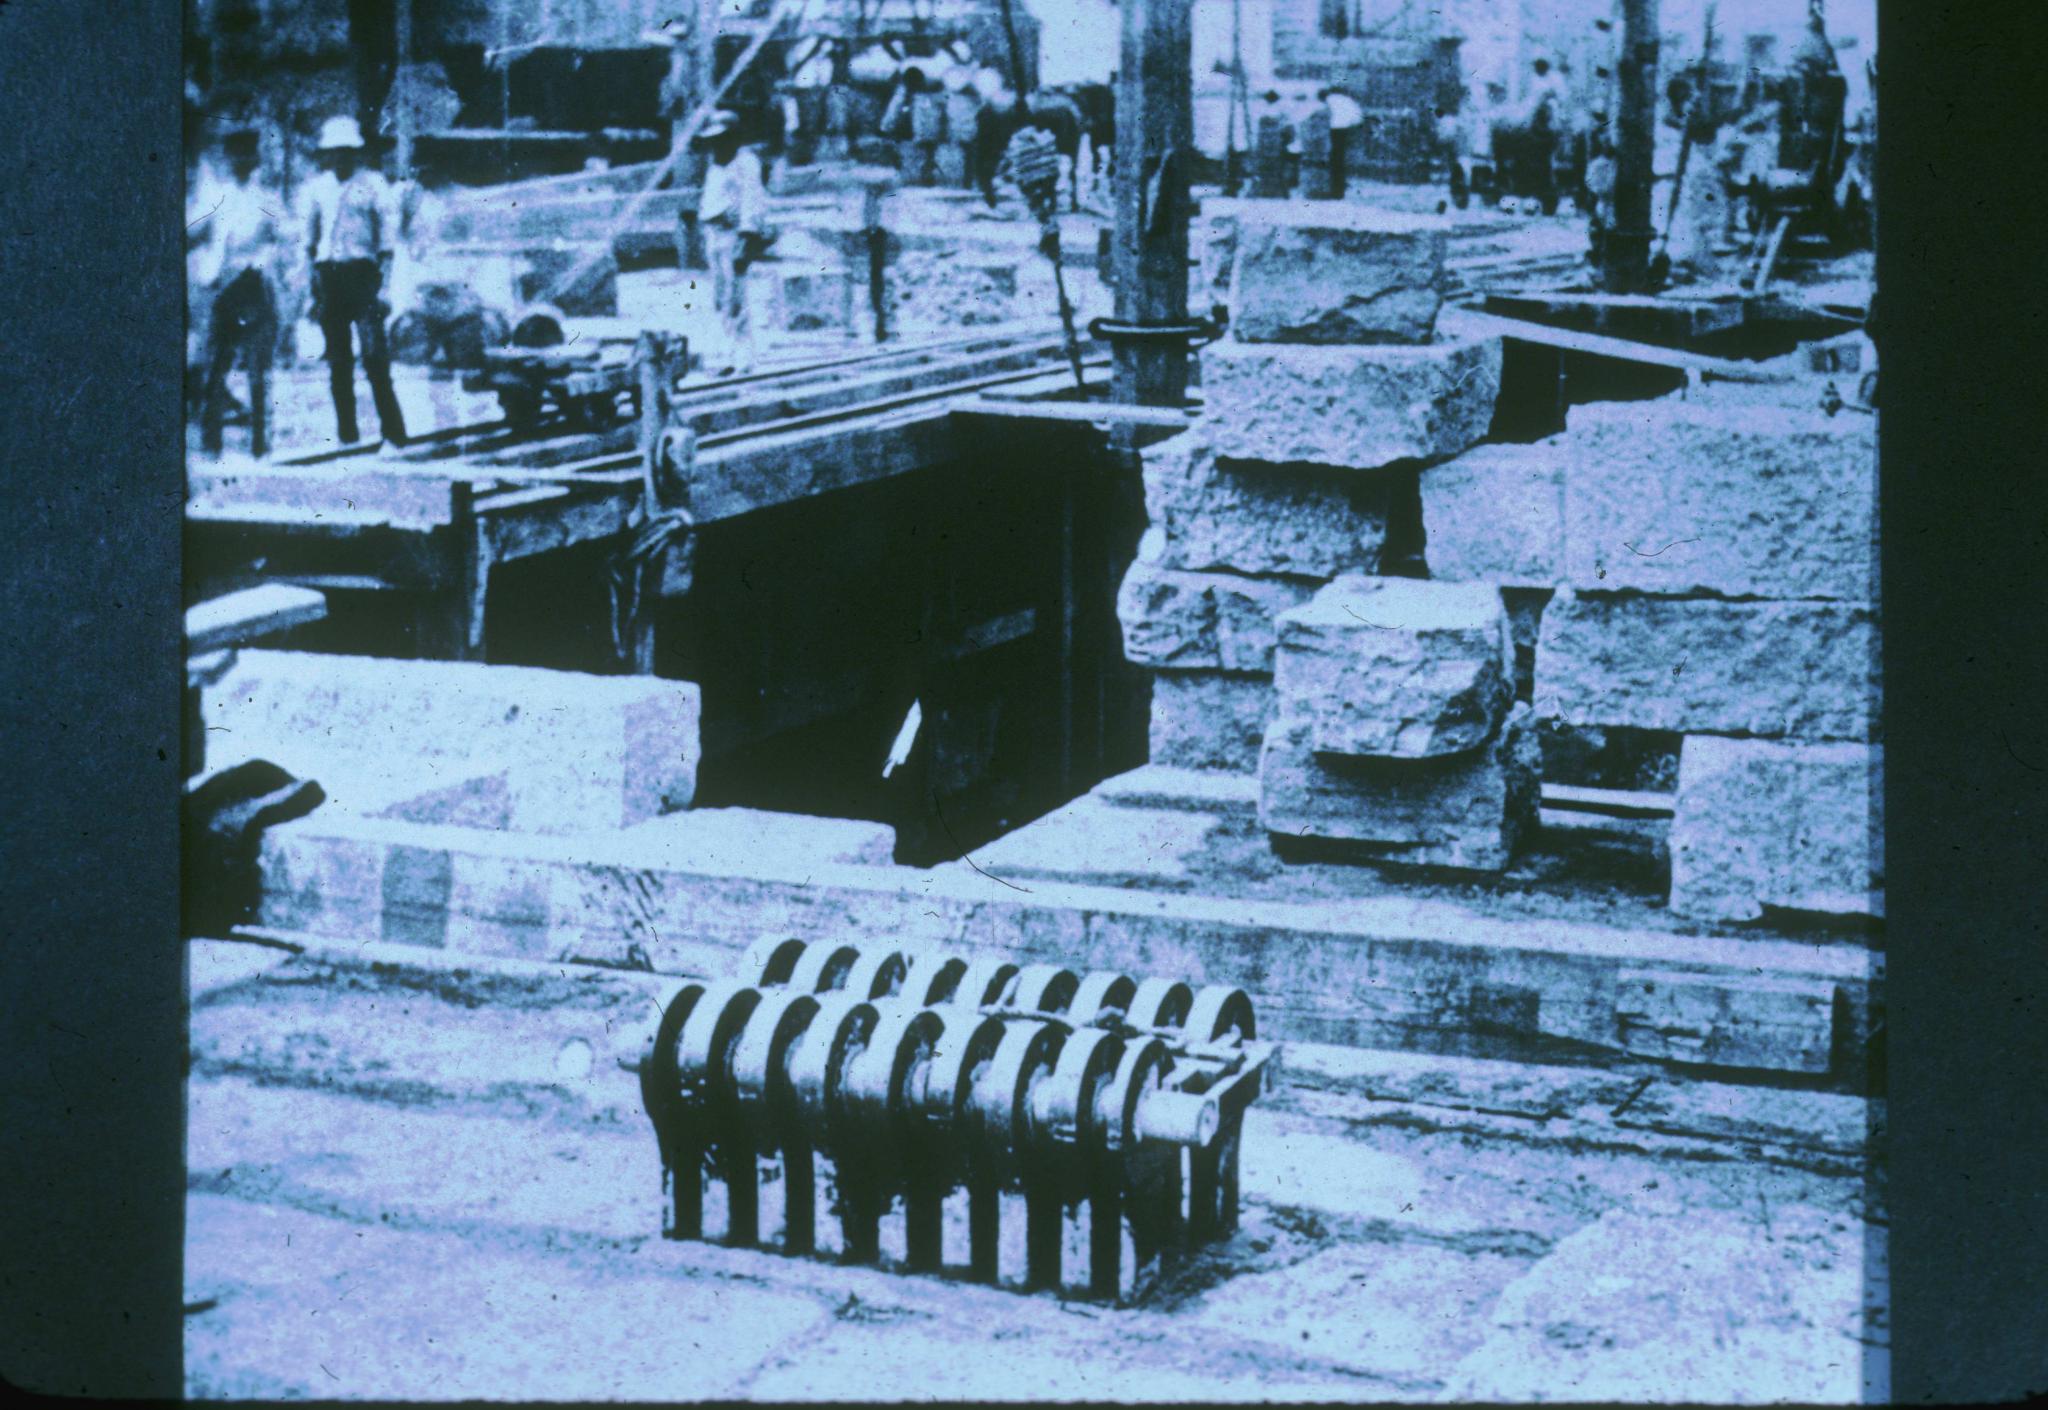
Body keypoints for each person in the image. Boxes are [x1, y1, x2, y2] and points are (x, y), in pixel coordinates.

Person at [299, 114, 409, 447]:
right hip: (329, 277)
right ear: (326, 155)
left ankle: (394, 434)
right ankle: (348, 436)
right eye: (334, 151)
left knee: (375, 356)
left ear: (356, 152)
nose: (341, 157)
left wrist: (386, 288)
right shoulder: (317, 188)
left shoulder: (373, 185)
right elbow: (308, 243)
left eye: (347, 150)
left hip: (363, 277)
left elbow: (388, 245)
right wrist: (310, 291)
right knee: (338, 361)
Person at [192, 125, 282, 458]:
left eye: (248, 154)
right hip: (221, 288)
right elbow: (194, 232)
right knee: (215, 366)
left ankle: (260, 445)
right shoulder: (214, 196)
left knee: (258, 370)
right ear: (228, 159)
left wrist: (264, 261)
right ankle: (210, 443)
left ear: (255, 158)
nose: (242, 161)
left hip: (255, 286)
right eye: (235, 155)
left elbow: (283, 238)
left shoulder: (266, 199)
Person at [696, 110, 769, 375]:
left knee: (735, 298)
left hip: (732, 234)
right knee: (719, 298)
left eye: (722, 139)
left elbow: (753, 200)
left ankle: (742, 357)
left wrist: (746, 237)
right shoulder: (716, 164)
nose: (717, 145)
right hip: (713, 234)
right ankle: (725, 352)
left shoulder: (745, 161)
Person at [1318, 87, 1363, 198]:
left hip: (1332, 130)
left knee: (1332, 159)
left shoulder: (1328, 100)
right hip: (1345, 130)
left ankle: (1333, 189)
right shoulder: (1346, 99)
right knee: (1340, 159)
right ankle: (1339, 189)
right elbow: (1358, 118)